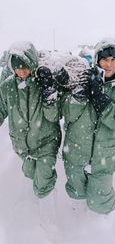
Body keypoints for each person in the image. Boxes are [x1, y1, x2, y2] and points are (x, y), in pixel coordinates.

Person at [61, 38, 115, 215]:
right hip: (75, 151)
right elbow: (68, 114)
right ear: (97, 60)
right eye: (104, 59)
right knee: (76, 193)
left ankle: (102, 229)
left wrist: (99, 97)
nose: (109, 64)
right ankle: (77, 221)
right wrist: (80, 95)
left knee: (100, 201)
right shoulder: (83, 79)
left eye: (113, 60)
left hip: (105, 156)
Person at [0, 41, 61, 200]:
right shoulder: (7, 87)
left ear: (33, 62)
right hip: (22, 146)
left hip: (46, 141)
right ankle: (38, 197)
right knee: (30, 173)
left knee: (43, 182)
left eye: (25, 66)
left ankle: (47, 210)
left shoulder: (44, 82)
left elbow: (53, 117)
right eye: (17, 67)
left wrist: (49, 94)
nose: (22, 71)